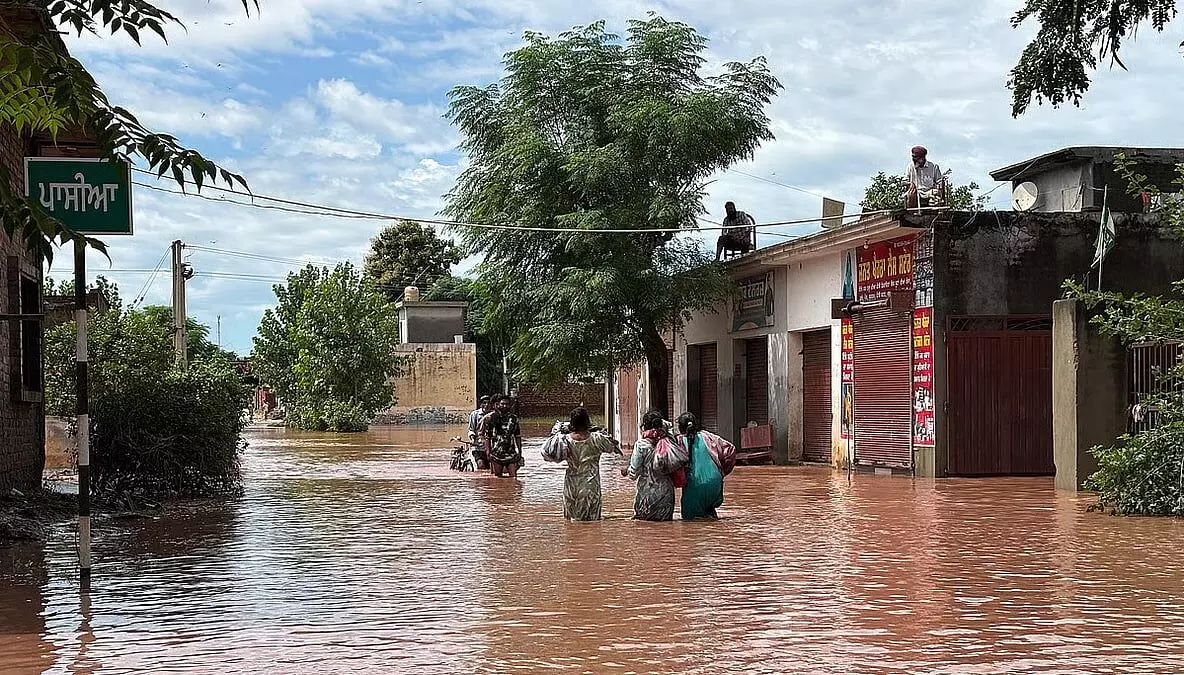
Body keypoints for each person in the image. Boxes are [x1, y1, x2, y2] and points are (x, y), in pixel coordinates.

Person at [542, 406, 616, 521]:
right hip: (591, 486)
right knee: (593, 523)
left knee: (571, 523)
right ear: (587, 421)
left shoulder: (565, 440)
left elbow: (551, 454)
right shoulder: (597, 438)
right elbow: (611, 447)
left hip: (571, 487)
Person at [621, 410, 679, 522]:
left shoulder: (641, 445)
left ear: (644, 427)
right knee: (665, 528)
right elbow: (670, 426)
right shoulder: (670, 442)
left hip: (647, 494)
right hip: (667, 495)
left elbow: (633, 473)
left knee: (643, 528)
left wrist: (627, 471)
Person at [677, 412, 731, 520]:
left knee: (690, 522)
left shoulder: (678, 441)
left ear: (680, 427)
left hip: (694, 486)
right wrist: (722, 471)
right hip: (715, 483)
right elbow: (730, 450)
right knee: (710, 516)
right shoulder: (708, 437)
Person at [481, 395, 523, 478]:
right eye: (502, 404)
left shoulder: (514, 419)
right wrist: (488, 452)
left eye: (507, 404)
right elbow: (487, 437)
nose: (504, 406)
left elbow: (517, 436)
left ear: (510, 405)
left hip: (511, 453)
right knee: (498, 477)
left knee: (513, 477)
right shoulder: (491, 418)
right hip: (496, 453)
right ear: (498, 404)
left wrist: (520, 451)